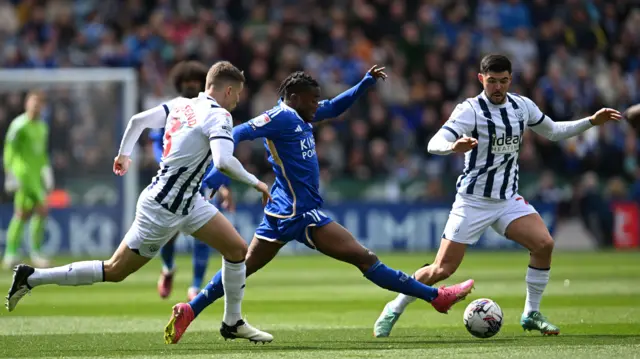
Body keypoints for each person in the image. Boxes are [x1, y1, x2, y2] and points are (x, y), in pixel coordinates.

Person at [163, 66, 475, 344]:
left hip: (282, 211)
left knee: (242, 268)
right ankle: (435, 297)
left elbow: (335, 107)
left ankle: (190, 309)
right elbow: (238, 132)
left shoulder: (300, 113)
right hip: (301, 212)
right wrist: (216, 168)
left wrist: (364, 84)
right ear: (295, 96)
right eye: (312, 100)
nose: (317, 106)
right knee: (365, 258)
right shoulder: (278, 117)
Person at [6, 61, 274, 344]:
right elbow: (222, 161)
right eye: (238, 94)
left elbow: (137, 122)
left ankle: (233, 321)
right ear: (228, 90)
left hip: (188, 201)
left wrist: (124, 154)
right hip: (163, 208)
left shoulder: (181, 105)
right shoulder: (220, 116)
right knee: (115, 270)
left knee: (236, 250)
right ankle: (31, 277)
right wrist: (257, 182)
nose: (238, 100)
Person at [373, 54, 622, 337]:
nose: (497, 87)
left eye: (503, 81)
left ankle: (531, 313)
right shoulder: (470, 110)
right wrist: (453, 146)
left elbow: (552, 131)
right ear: (481, 79)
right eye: (491, 81)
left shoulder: (521, 106)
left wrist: (590, 121)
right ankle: (394, 307)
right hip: (473, 201)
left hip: (506, 200)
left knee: (544, 244)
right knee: (442, 269)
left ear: (510, 79)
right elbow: (434, 143)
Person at [148, 60, 233, 301]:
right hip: (175, 181)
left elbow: (218, 154)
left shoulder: (211, 113)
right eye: (186, 82)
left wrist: (222, 184)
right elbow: (157, 144)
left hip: (204, 183)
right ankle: (168, 269)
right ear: (179, 85)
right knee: (168, 234)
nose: (191, 86)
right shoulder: (171, 109)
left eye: (195, 82)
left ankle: (195, 285)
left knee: (204, 234)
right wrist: (168, 163)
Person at [2, 90, 54, 269]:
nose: (35, 106)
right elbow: (9, 149)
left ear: (43, 107)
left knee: (22, 214)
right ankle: (36, 253)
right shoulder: (19, 125)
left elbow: (41, 153)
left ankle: (11, 253)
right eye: (33, 102)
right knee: (42, 209)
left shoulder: (43, 127)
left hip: (35, 175)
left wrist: (46, 170)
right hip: (22, 175)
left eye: (39, 103)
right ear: (26, 104)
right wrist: (9, 173)